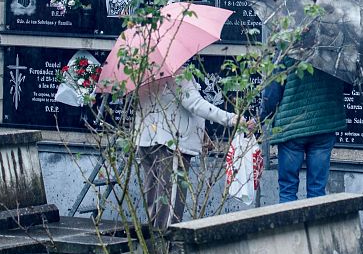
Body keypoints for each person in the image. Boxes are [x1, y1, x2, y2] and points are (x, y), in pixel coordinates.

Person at [136, 75, 244, 229]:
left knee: (154, 206)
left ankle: (153, 248)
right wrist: (231, 119)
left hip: (146, 141)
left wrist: (201, 133)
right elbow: (195, 104)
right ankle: (167, 249)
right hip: (170, 146)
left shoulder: (145, 71)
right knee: (169, 211)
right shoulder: (178, 74)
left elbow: (166, 108)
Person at [261, 61, 347, 203]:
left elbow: (273, 90)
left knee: (287, 189)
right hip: (324, 125)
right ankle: (314, 225)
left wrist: (263, 116)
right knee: (317, 189)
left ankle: (291, 225)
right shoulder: (335, 51)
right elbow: (346, 86)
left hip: (291, 127)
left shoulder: (289, 46)